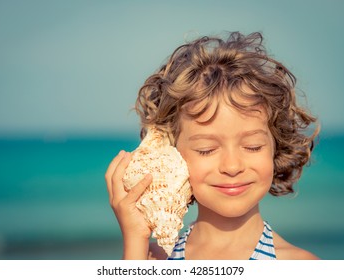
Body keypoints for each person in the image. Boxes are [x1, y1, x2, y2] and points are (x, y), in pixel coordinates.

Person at [105, 31, 320, 260]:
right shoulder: (151, 260)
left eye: (253, 146)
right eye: (206, 150)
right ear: (172, 155)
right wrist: (136, 238)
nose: (232, 166)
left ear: (276, 146)